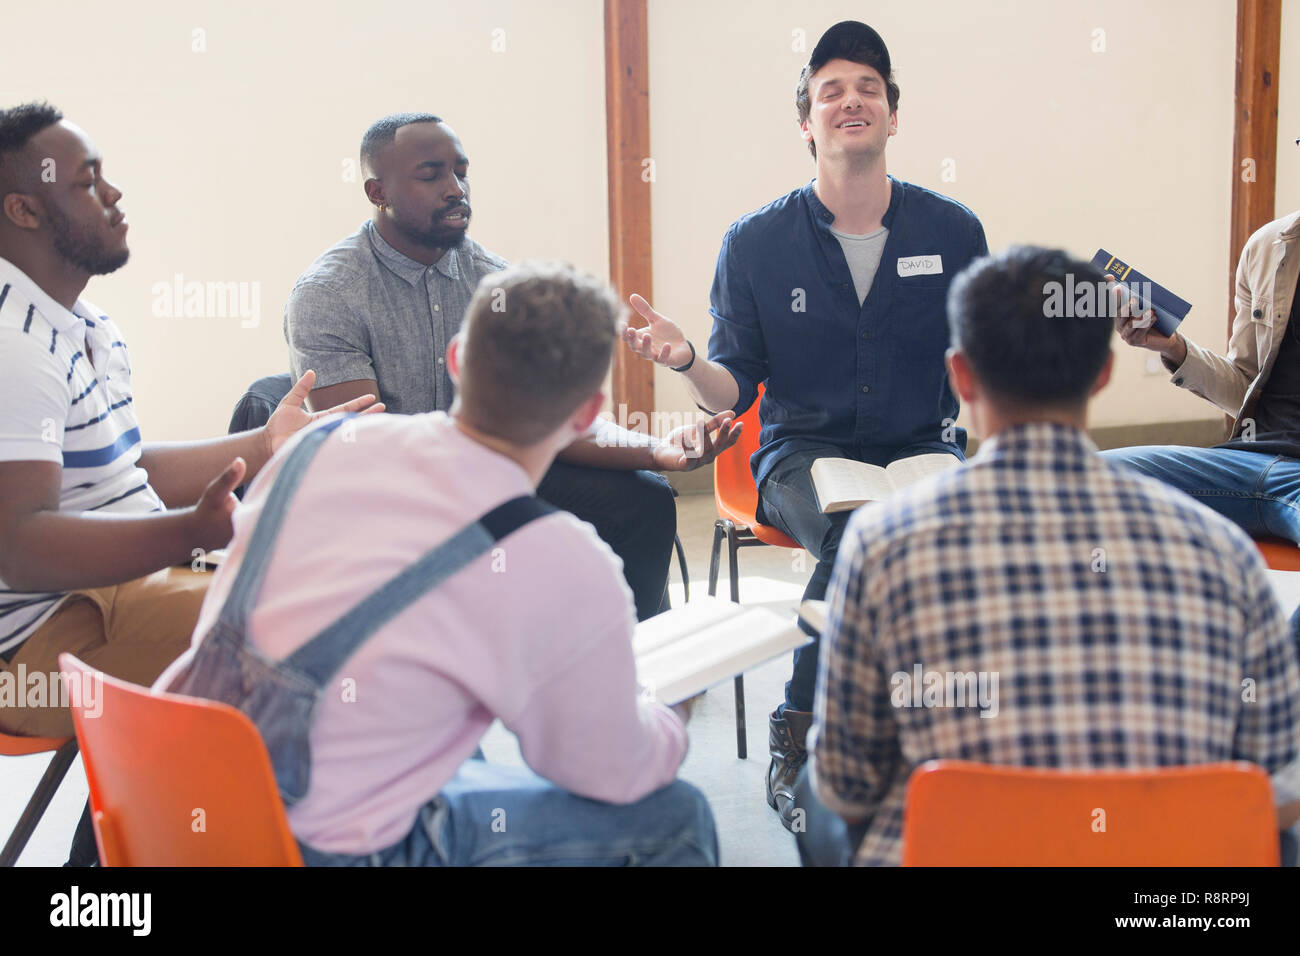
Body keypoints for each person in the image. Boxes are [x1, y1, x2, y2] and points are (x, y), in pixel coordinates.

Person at [157, 262, 719, 867]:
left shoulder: (318, 445)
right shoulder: (561, 555)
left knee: (456, 751)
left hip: (172, 805)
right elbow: (610, 773)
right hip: (310, 852)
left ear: (455, 361)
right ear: (587, 414)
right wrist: (671, 705)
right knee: (677, 816)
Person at [797, 245, 1300, 866]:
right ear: (1101, 376)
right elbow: (1275, 795)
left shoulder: (880, 546)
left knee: (811, 797)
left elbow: (847, 786)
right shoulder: (1227, 557)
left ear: (960, 376)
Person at [621, 21, 988, 827]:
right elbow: (730, 393)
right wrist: (685, 360)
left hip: (924, 447)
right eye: (831, 90)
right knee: (866, 540)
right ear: (806, 123)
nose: (850, 100)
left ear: (894, 115)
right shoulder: (755, 243)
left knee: (978, 537)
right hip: (800, 461)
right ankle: (805, 732)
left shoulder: (953, 232)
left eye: (868, 88)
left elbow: (979, 362)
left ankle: (942, 731)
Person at [0, 102, 378, 740]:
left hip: (128, 592)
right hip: (44, 639)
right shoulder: (15, 344)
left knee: (353, 585)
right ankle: (169, 833)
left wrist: (264, 444)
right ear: (25, 210)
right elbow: (20, 547)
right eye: (87, 183)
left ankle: (148, 835)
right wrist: (189, 534)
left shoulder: (88, 328)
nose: (114, 194)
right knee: (323, 634)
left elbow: (126, 471)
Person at [283, 112, 739, 622]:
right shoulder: (328, 294)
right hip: (393, 492)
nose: (456, 189)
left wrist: (659, 450)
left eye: (461, 171)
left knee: (644, 499)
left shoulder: (496, 283)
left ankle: (636, 671)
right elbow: (364, 448)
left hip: (496, 466)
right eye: (431, 175)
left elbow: (548, 417)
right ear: (377, 192)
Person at [1101, 206, 1300, 542]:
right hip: (1244, 463)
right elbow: (1244, 387)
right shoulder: (1267, 248)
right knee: (1078, 478)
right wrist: (1173, 347)